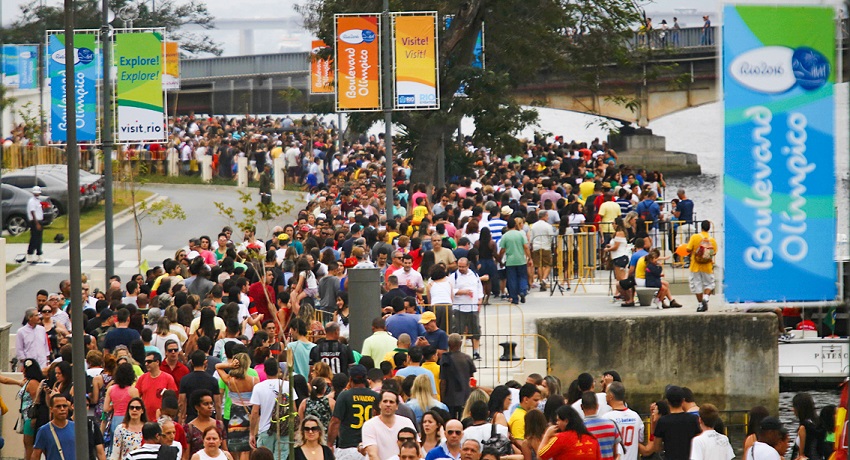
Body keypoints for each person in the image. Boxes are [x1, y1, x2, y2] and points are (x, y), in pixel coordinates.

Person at [639, 386, 701, 460]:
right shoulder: (693, 419)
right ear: (683, 400)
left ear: (668, 401)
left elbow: (657, 447)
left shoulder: (663, 421)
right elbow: (698, 440)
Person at [216, 353, 257, 460]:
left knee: (235, 447)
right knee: (247, 448)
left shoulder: (230, 380)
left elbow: (217, 366)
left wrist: (230, 365)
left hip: (235, 415)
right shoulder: (254, 380)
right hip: (250, 413)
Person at [249, 358, 290, 459]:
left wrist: (252, 433)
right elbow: (294, 409)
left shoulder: (259, 387)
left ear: (265, 370)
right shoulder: (287, 385)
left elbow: (255, 412)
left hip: (265, 429)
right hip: (284, 428)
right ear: (278, 370)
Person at [361, 390, 417, 460]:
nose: (388, 404)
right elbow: (372, 454)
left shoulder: (406, 422)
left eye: (391, 402)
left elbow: (417, 446)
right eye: (385, 401)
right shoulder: (369, 425)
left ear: (397, 406)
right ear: (379, 404)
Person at [450, 258, 484, 359]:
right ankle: (457, 351)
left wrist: (480, 301)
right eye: (459, 266)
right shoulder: (454, 277)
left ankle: (476, 352)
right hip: (459, 307)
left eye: (463, 267)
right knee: (458, 331)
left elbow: (479, 288)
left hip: (472, 307)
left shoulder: (474, 275)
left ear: (467, 266)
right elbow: (450, 290)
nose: (461, 268)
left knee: (475, 330)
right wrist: (463, 292)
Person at [603, 382, 643, 460]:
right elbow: (640, 439)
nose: (605, 396)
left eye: (606, 393)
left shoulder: (606, 418)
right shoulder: (636, 416)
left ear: (611, 396)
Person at [179, 351, 221, 424]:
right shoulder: (212, 380)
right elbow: (217, 403)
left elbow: (181, 402)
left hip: (191, 417)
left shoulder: (185, 379)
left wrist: (181, 418)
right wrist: (219, 421)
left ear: (191, 362)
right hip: (209, 417)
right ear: (205, 362)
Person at [440, 334, 476, 419]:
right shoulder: (467, 358)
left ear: (448, 344)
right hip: (465, 396)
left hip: (449, 397)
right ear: (460, 343)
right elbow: (472, 380)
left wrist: (442, 398)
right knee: (464, 419)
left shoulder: (445, 359)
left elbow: (443, 382)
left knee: (450, 421)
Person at [185, 390, 227, 460]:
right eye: (206, 404)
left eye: (211, 403)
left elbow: (224, 449)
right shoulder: (189, 428)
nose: (210, 407)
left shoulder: (219, 425)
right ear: (197, 407)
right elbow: (186, 455)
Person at [685, 221, 717, 312]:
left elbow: (688, 249)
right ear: (709, 228)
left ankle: (700, 305)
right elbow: (714, 252)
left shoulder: (695, 237)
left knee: (696, 285)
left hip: (695, 266)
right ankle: (706, 298)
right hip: (707, 266)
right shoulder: (712, 240)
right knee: (710, 284)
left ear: (701, 227)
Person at [498, 218, 531, 304]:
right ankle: (523, 291)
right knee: (522, 277)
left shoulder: (505, 236)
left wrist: (500, 259)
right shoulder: (520, 234)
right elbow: (526, 247)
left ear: (507, 226)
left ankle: (514, 298)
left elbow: (502, 250)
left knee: (512, 279)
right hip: (521, 259)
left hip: (510, 261)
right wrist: (529, 257)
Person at [32, 394, 75, 460]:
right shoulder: (44, 431)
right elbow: (36, 455)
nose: (62, 409)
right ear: (51, 409)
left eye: (65, 406)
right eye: (58, 406)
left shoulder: (76, 427)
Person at [137, 352, 178, 418]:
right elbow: (137, 397)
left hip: (162, 418)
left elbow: (172, 398)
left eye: (149, 361)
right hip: (145, 417)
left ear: (157, 362)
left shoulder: (168, 378)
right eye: (145, 362)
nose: (146, 364)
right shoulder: (142, 378)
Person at [580, 393, 621, 460]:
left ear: (581, 407)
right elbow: (615, 453)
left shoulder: (579, 429)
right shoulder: (611, 425)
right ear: (597, 406)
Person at [792, 392, 824, 460]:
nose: (792, 409)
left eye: (794, 406)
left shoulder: (803, 427)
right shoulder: (819, 423)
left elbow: (801, 455)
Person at [26, 185, 44, 263]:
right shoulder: (32, 201)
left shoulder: (37, 200)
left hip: (39, 221)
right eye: (36, 193)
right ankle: (30, 254)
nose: (37, 194)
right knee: (34, 238)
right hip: (34, 222)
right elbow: (32, 212)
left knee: (39, 239)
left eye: (38, 193)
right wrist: (37, 223)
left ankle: (39, 254)